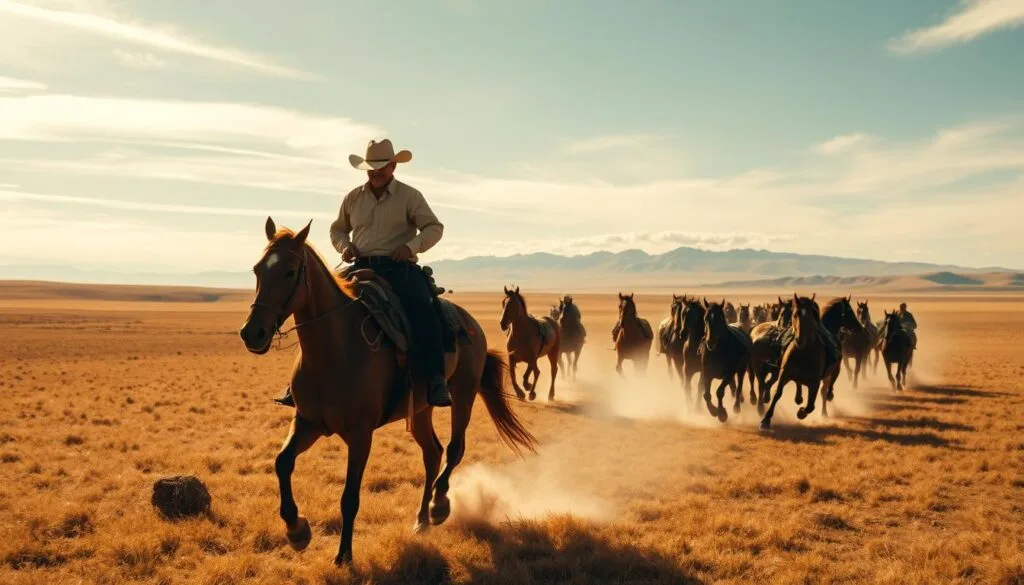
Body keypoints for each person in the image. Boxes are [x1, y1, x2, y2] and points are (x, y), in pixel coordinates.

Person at [273, 138, 452, 408]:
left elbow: (434, 228)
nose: (375, 172)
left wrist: (411, 246)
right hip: (360, 265)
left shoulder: (409, 196)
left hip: (398, 267)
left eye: (381, 167)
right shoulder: (353, 197)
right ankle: (301, 381)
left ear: (393, 167)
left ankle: (436, 379)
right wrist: (344, 246)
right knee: (319, 303)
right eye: (371, 168)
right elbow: (337, 229)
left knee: (422, 306)